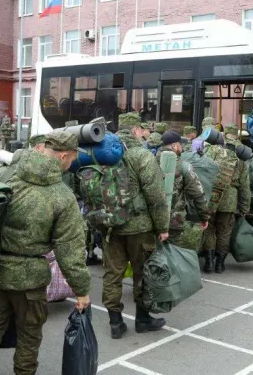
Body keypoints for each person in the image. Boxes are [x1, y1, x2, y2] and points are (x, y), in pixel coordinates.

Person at [0, 131, 91, 375]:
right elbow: (69, 250)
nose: (72, 164)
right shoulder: (62, 196)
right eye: (73, 159)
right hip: (30, 280)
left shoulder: (8, 177)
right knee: (29, 334)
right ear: (64, 156)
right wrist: (82, 290)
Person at [105, 112, 170, 339]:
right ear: (135, 130)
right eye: (141, 129)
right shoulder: (141, 155)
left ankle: (115, 322)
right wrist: (162, 227)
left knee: (112, 274)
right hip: (139, 227)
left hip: (110, 224)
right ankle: (142, 319)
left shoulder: (104, 153)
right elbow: (156, 197)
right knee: (142, 273)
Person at [202, 133, 250, 274]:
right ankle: (220, 264)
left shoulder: (209, 153)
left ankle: (209, 262)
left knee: (208, 229)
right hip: (229, 199)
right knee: (224, 232)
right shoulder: (240, 161)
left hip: (211, 196)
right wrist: (244, 207)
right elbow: (244, 186)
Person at [156, 131, 209, 251]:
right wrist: (204, 217)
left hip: (152, 218)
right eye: (180, 144)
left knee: (154, 254)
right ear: (174, 146)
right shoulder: (183, 166)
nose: (182, 147)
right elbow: (197, 194)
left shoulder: (150, 161)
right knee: (174, 253)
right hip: (174, 221)